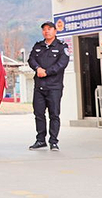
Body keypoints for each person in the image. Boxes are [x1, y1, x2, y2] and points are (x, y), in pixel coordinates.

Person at [27, 21, 70, 151]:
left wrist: (47, 72)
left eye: (49, 29)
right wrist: (37, 68)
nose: (46, 31)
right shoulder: (38, 46)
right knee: (39, 114)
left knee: (54, 114)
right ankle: (40, 140)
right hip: (39, 86)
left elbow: (62, 63)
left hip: (54, 87)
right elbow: (31, 59)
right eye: (44, 29)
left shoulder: (62, 47)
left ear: (55, 31)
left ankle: (54, 141)